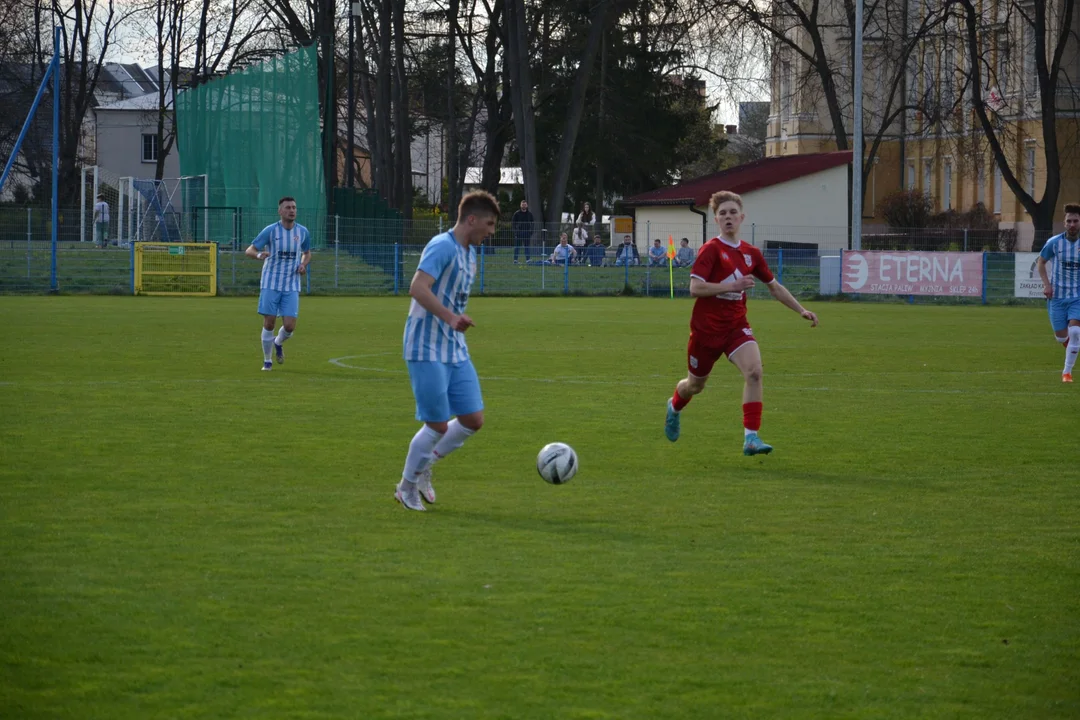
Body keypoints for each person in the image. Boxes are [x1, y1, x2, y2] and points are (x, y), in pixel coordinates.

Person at [664, 190, 818, 455]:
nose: (728, 217)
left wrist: (801, 310)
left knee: (755, 372)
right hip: (705, 330)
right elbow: (694, 288)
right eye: (722, 213)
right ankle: (675, 405)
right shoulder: (711, 249)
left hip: (736, 327)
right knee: (695, 386)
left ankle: (751, 438)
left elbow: (774, 286)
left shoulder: (751, 253)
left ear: (741, 217)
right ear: (716, 219)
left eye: (733, 212)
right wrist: (732, 284)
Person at [397, 190, 500, 511]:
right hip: (425, 346)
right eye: (490, 223)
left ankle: (425, 465)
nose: (492, 231)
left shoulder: (470, 253)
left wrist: (455, 322)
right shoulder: (442, 246)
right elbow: (417, 287)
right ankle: (406, 487)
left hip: (454, 347)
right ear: (471, 219)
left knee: (472, 419)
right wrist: (451, 317)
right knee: (438, 425)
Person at [245, 197, 311, 371]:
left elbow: (307, 253)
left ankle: (278, 342)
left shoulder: (302, 232)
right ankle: (267, 361)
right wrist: (259, 256)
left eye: (294, 207)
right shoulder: (271, 231)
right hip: (270, 282)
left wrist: (303, 264)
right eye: (288, 207)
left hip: (291, 284)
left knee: (289, 326)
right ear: (280, 211)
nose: (292, 210)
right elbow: (249, 250)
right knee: (269, 323)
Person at [1037, 202, 1080, 382]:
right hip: (1057, 298)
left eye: (1075, 221)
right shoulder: (1054, 243)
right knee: (1061, 337)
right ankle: (1073, 349)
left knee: (1076, 331)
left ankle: (1066, 372)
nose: (1072, 224)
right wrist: (1047, 285)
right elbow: (1041, 263)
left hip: (1077, 297)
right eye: (1069, 221)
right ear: (1064, 223)